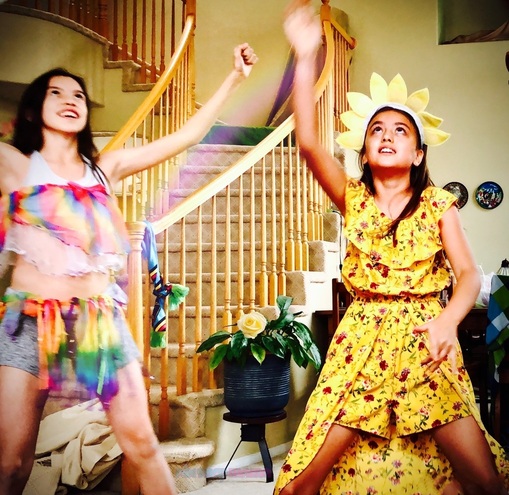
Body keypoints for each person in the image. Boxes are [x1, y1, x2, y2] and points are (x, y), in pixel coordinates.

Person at [0, 43, 257, 495]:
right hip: (28, 324)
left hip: (99, 320)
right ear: (33, 110)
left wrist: (234, 77)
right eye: (55, 93)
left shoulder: (105, 169)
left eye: (78, 95)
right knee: (11, 463)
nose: (69, 100)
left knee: (142, 441)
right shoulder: (14, 165)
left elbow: (187, 137)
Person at [275, 2, 509, 494]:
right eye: (376, 130)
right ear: (363, 152)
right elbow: (309, 143)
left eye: (400, 131)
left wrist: (447, 321)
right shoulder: (352, 198)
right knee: (305, 483)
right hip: (359, 345)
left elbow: (468, 275)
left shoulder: (439, 204)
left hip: (426, 341)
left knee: (483, 481)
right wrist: (305, 56)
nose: (386, 136)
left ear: (418, 153)